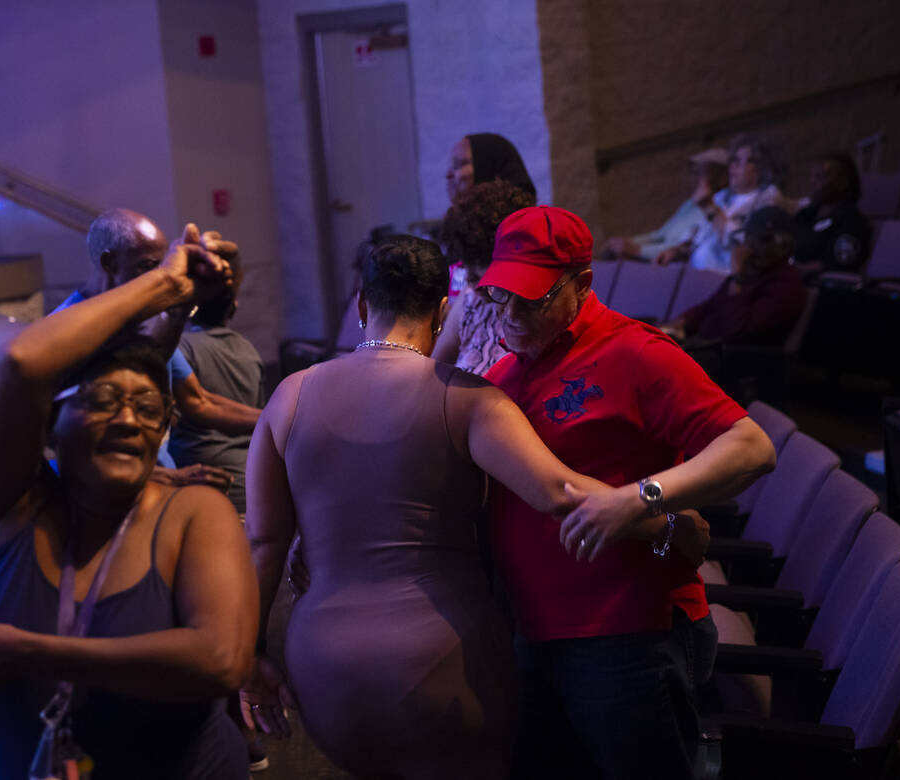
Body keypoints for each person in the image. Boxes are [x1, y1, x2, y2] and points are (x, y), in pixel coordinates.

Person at [239, 235, 708, 779]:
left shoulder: (288, 396)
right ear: (443, 310)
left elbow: (265, 542)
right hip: (440, 659)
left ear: (362, 306)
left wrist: (249, 656)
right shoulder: (467, 399)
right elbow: (561, 493)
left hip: (322, 661)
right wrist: (669, 526)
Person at [0, 231, 258, 778]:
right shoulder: (11, 508)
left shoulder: (193, 513)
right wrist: (167, 284)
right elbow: (19, 361)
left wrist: (34, 651)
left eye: (149, 408)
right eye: (102, 401)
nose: (129, 420)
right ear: (51, 423)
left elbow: (220, 661)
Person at [477, 206, 777, 779]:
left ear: (581, 285)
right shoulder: (507, 372)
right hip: (534, 631)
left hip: (626, 634)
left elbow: (751, 447)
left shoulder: (635, 352)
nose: (510, 313)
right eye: (501, 295)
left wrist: (642, 498)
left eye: (531, 298)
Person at [64, 209, 259, 488]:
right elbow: (63, 453)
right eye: (147, 267)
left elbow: (198, 401)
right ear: (109, 262)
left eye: (163, 266)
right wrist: (165, 476)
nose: (160, 277)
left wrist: (285, 416)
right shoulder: (64, 333)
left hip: (159, 490)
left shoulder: (147, 323)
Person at [169, 251, 264, 516]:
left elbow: (195, 406)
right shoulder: (249, 351)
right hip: (251, 482)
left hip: (204, 486)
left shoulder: (180, 348)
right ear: (233, 307)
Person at [661, 206, 806, 348]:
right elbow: (709, 307)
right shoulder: (752, 273)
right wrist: (679, 324)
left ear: (784, 247)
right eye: (748, 238)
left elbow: (736, 333)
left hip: (732, 361)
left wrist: (738, 277)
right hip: (703, 347)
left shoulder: (786, 286)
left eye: (761, 240)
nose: (749, 247)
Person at [432, 179, 536, 374]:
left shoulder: (533, 310)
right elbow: (432, 372)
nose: (470, 279)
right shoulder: (471, 301)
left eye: (480, 264)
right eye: (466, 263)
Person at [443, 133, 537, 296]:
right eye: (452, 166)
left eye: (461, 164)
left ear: (488, 169)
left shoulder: (516, 239)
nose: (449, 174)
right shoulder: (460, 232)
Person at [686, 133, 790, 273]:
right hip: (696, 272)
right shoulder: (722, 197)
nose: (733, 167)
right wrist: (678, 250)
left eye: (739, 161)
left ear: (759, 167)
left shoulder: (768, 196)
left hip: (727, 277)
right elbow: (700, 237)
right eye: (732, 161)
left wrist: (711, 210)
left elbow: (746, 242)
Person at [603, 149, 729, 263]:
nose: (693, 179)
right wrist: (626, 243)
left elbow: (682, 245)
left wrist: (638, 250)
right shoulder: (689, 204)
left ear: (722, 178)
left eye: (701, 173)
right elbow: (658, 236)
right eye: (692, 173)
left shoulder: (718, 207)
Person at [792, 152, 872, 279]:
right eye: (812, 177)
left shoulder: (853, 222)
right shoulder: (806, 214)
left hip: (819, 287)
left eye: (819, 177)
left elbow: (838, 263)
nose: (812, 182)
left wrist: (794, 271)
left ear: (843, 183)